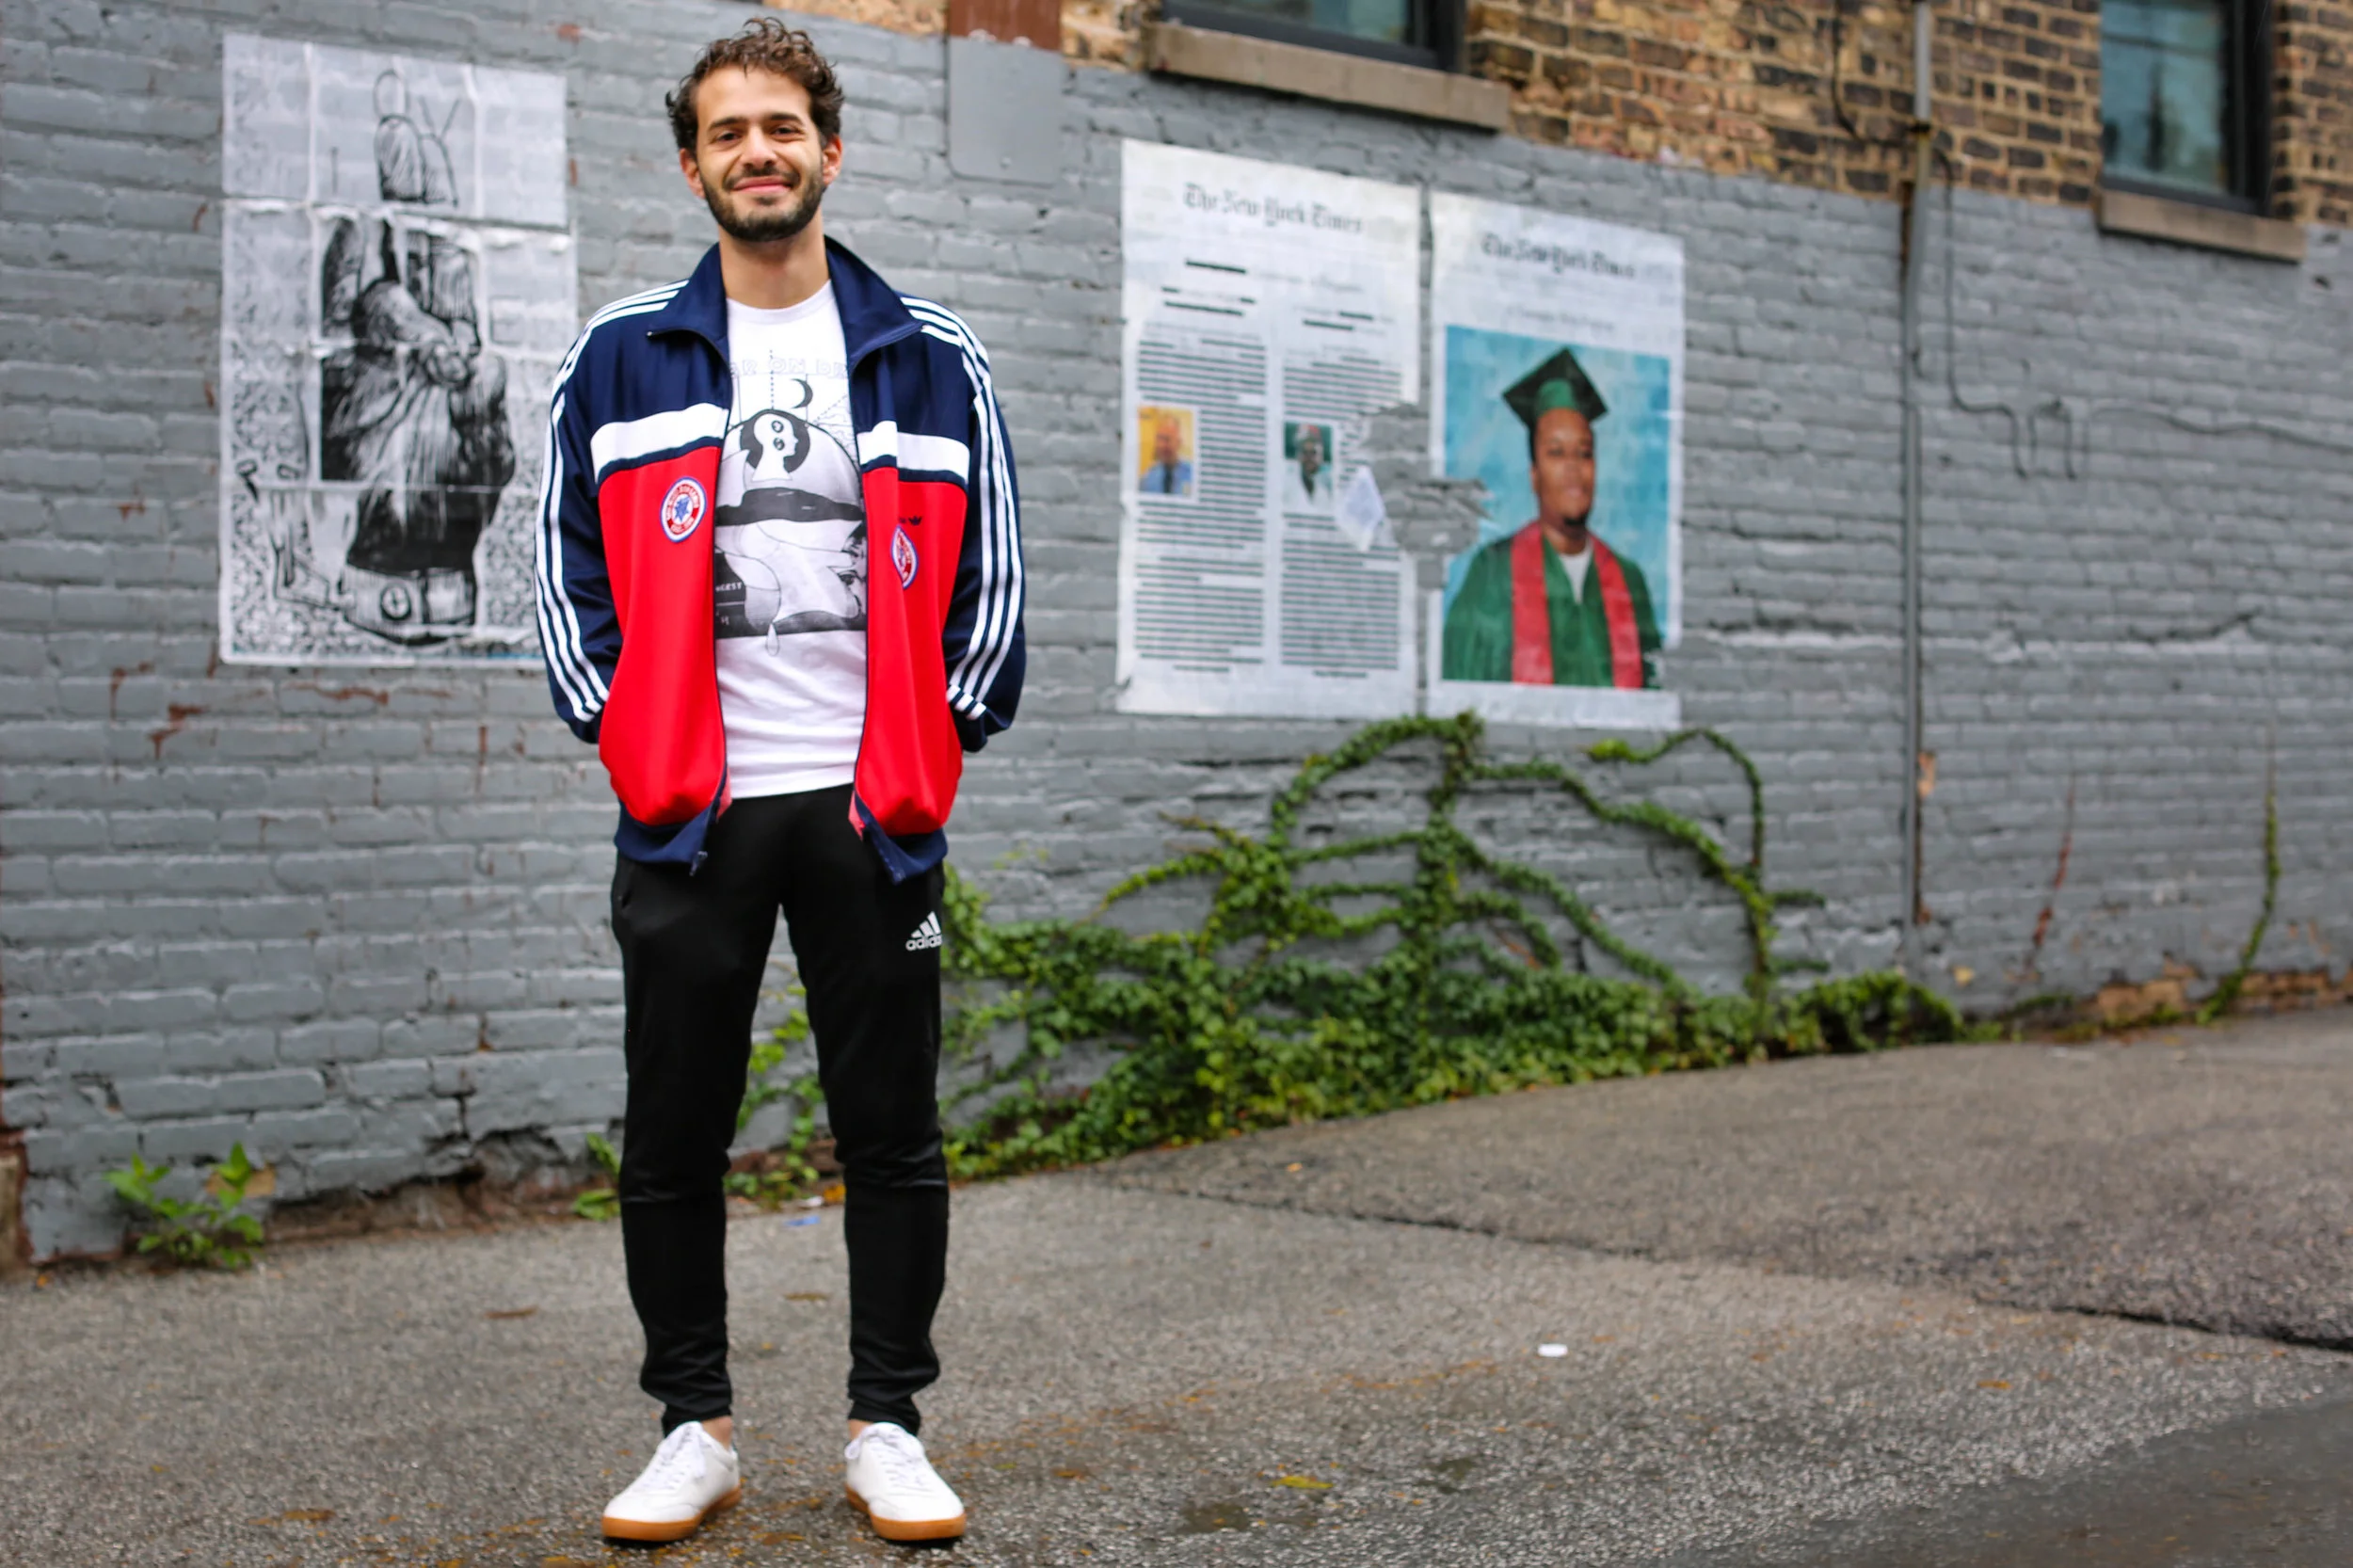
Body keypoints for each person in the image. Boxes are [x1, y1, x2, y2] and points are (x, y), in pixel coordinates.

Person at [534, 20, 1025, 1549]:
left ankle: (890, 1423)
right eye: (730, 130)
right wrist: (634, 743)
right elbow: (561, 576)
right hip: (693, 810)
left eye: (784, 125)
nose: (760, 150)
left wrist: (930, 757)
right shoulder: (623, 353)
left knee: (893, 1127)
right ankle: (696, 1428)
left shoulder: (930, 353)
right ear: (693, 163)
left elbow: (993, 583)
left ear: (829, 147)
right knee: (672, 1129)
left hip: (873, 817)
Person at [1440, 346, 1659, 688]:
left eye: (1584, 453)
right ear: (1534, 474)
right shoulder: (1492, 573)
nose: (1573, 468)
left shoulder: (1630, 582)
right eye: (1556, 453)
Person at [1137, 410, 1193, 496]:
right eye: (1159, 439)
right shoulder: (1147, 478)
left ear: (1178, 442)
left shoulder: (1193, 473)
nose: (1161, 445)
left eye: (1167, 439)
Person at [1282, 422, 1333, 513]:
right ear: (1298, 455)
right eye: (1305, 452)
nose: (1309, 458)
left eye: (1313, 453)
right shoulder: (1286, 482)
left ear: (1321, 456)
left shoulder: (1324, 492)